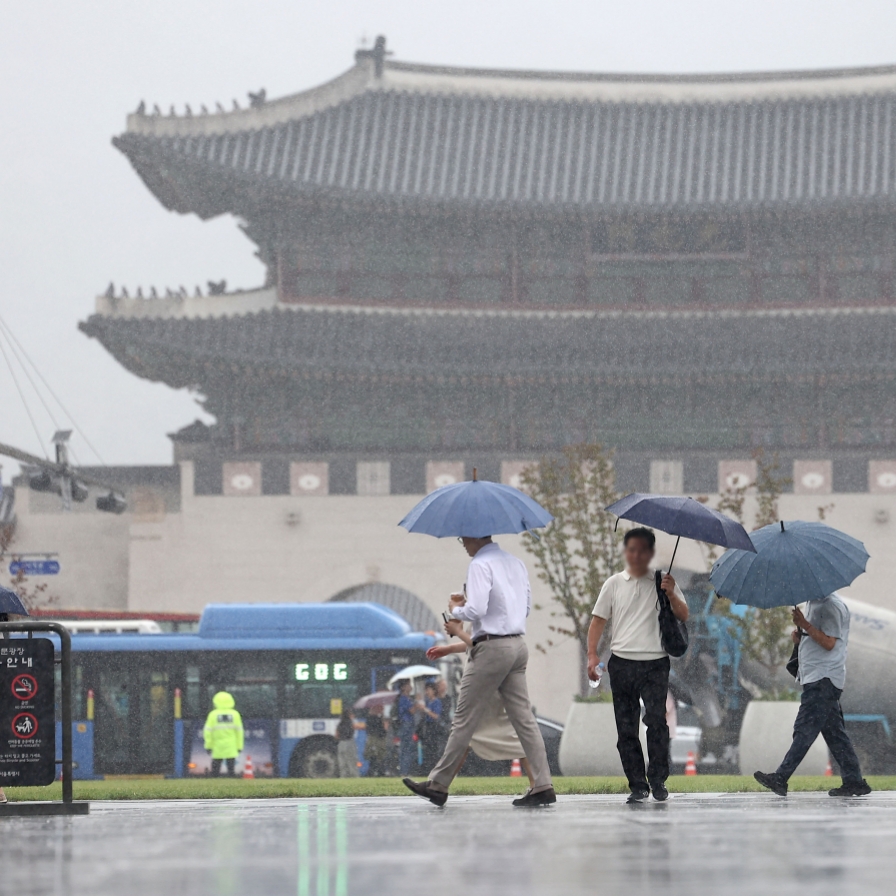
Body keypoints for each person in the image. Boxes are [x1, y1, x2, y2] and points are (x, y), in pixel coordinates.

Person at [403, 535, 555, 808]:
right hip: (517, 645)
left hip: (491, 648)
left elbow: (477, 609)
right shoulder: (517, 563)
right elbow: (526, 607)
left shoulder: (479, 564)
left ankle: (438, 785)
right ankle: (543, 784)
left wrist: (456, 609)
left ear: (476, 536)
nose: (462, 542)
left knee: (463, 720)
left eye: (464, 537)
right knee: (525, 720)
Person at [586, 527, 689, 803]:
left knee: (657, 722)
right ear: (626, 551)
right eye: (631, 549)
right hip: (621, 663)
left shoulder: (663, 581)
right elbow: (598, 621)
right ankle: (637, 784)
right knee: (626, 728)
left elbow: (684, 614)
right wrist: (592, 655)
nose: (636, 555)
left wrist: (671, 594)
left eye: (642, 550)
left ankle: (658, 780)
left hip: (655, 663)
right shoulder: (613, 583)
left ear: (650, 553)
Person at [754, 594, 872, 798]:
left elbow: (829, 643)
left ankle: (781, 777)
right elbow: (819, 639)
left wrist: (805, 625)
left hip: (823, 679)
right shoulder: (813, 604)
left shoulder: (831, 606)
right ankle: (854, 782)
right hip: (815, 678)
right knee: (836, 736)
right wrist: (801, 639)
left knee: (804, 730)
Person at [427, 625, 537, 790]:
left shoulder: (484, 609)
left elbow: (477, 643)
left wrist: (456, 629)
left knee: (465, 730)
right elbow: (475, 642)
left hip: (487, 674)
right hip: (495, 670)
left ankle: (438, 786)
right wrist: (449, 648)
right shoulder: (493, 613)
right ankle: (540, 785)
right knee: (469, 733)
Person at [203, 691, 244, 777]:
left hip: (217, 745)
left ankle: (214, 783)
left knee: (215, 767)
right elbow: (239, 732)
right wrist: (239, 746)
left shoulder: (213, 715)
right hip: (231, 745)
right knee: (231, 767)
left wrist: (208, 746)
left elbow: (207, 732)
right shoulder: (235, 714)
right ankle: (232, 783)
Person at [418, 681, 445, 774]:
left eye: (428, 690)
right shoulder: (428, 701)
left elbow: (436, 716)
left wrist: (425, 710)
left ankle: (435, 768)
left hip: (434, 727)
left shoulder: (436, 702)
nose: (427, 692)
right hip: (428, 727)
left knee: (433, 749)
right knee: (428, 748)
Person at [396, 681, 418, 776]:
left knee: (406, 748)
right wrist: (417, 703)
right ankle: (404, 771)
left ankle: (405, 770)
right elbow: (412, 710)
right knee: (406, 748)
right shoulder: (404, 699)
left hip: (407, 724)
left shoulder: (407, 698)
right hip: (406, 724)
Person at [363, 704, 391, 776]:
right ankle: (378, 771)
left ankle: (375, 771)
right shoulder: (374, 718)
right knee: (378, 755)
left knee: (376, 755)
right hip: (377, 740)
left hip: (375, 739)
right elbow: (381, 730)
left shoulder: (371, 718)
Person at [335, 709, 359, 778]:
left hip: (341, 744)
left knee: (342, 763)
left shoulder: (340, 723)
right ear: (349, 715)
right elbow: (355, 728)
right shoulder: (350, 723)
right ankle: (354, 777)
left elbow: (336, 735)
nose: (353, 715)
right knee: (352, 762)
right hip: (349, 743)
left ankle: (344, 777)